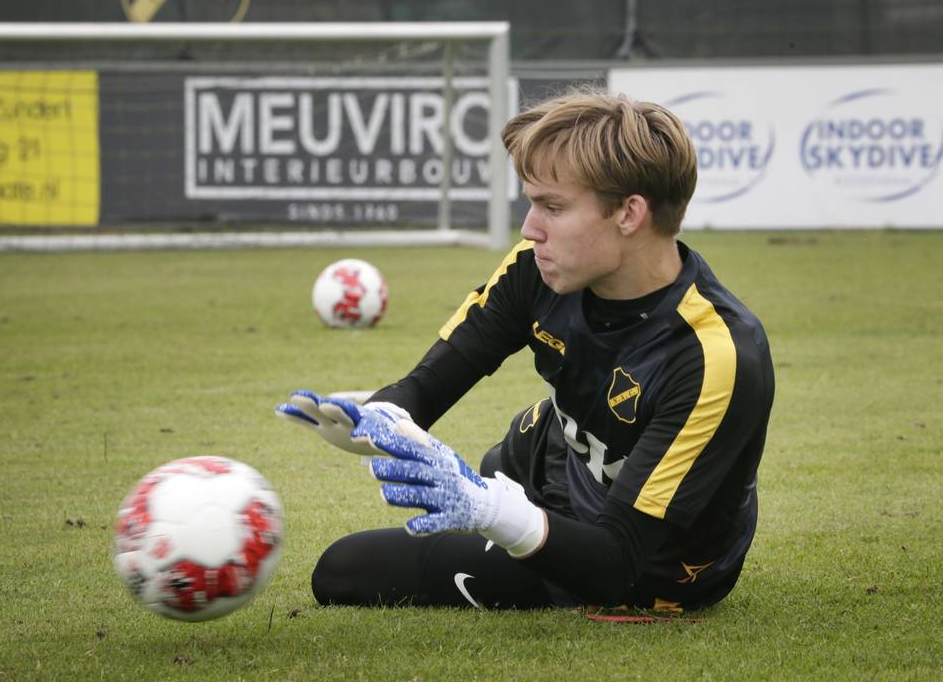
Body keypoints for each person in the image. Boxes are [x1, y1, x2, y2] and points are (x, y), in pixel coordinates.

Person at [276, 91, 775, 611]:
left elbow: (616, 563)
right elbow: (430, 383)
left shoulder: (715, 355)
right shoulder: (536, 266)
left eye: (552, 207)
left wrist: (491, 510)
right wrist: (383, 417)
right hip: (561, 457)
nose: (529, 228)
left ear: (629, 214)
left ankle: (529, 530)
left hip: (650, 564)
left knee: (344, 569)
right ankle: (528, 512)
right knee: (522, 438)